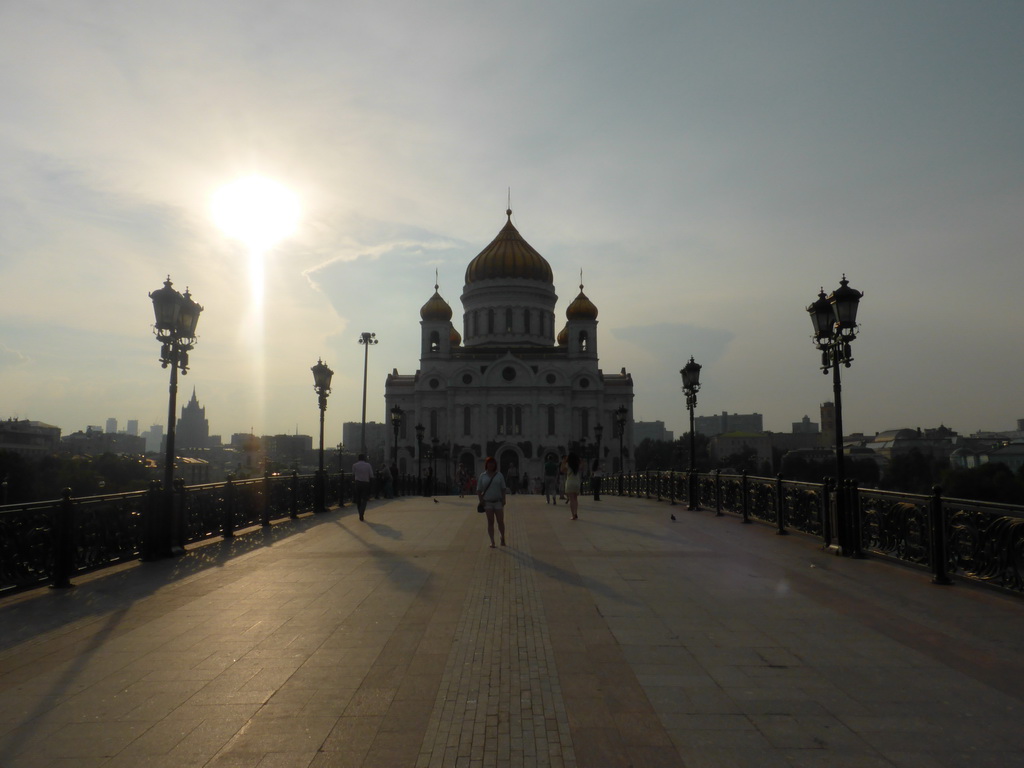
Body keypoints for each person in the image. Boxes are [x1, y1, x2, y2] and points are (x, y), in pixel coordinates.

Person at [477, 456, 507, 548]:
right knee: (490, 521)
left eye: (493, 463)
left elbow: (503, 488)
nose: (491, 465)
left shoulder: (499, 475)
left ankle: (502, 537)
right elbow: (479, 489)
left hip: (498, 501)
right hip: (487, 502)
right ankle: (492, 541)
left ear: (495, 465)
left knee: (500, 521)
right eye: (489, 463)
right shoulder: (483, 476)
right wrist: (481, 500)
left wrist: (503, 499)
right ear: (487, 465)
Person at [352, 454, 373, 521]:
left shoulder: (355, 465)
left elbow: (353, 474)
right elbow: (371, 475)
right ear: (364, 458)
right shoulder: (368, 465)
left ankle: (360, 513)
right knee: (364, 499)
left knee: (358, 499)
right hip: (365, 483)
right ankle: (362, 513)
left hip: (357, 483)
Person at [565, 452, 582, 520]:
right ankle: (576, 512)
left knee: (571, 499)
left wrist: (564, 461)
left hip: (570, 482)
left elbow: (562, 470)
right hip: (577, 482)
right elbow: (582, 466)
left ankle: (573, 515)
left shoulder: (568, 464)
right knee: (575, 499)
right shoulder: (578, 465)